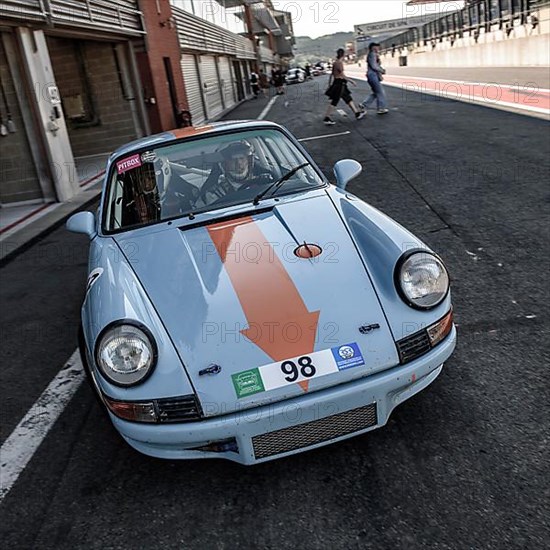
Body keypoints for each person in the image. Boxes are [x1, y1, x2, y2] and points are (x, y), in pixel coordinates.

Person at [201, 141, 274, 205]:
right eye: (233, 160)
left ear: (249, 160)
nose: (239, 163)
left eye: (242, 158)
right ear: (224, 164)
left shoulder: (266, 181)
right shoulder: (215, 194)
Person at [323, 48, 365, 125]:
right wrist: (351, 81)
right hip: (340, 84)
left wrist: (330, 84)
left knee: (348, 98)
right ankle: (327, 117)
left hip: (338, 83)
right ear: (343, 55)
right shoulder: (339, 63)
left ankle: (357, 113)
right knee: (335, 101)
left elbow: (332, 74)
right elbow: (342, 75)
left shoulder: (335, 63)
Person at [361, 43, 389, 115]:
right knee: (380, 92)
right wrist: (381, 70)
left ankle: (364, 104)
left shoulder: (372, 54)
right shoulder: (372, 54)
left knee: (376, 92)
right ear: (373, 48)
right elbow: (374, 66)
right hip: (373, 75)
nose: (378, 48)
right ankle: (381, 108)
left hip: (372, 75)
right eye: (376, 47)